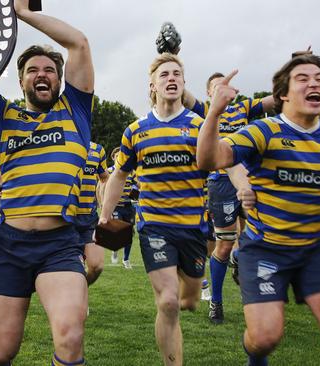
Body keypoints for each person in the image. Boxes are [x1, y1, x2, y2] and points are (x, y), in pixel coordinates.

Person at [0, 0, 94, 363]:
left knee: (70, 336)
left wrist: (24, 15)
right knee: (1, 352)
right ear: (21, 79)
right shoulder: (4, 115)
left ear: (60, 79)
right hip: (10, 244)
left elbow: (79, 44)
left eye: (50, 70)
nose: (42, 75)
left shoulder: (75, 111)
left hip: (59, 244)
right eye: (32, 70)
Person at [196, 54, 320, 366]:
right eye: (303, 78)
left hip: (319, 250)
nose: (314, 83)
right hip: (266, 250)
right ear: (283, 95)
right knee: (263, 338)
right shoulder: (264, 131)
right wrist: (215, 113)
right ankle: (223, 307)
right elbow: (209, 160)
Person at [100, 53, 208, 366]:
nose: (171, 79)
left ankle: (189, 293)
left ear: (184, 84)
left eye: (177, 74)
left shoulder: (200, 126)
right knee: (169, 301)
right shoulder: (135, 131)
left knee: (187, 300)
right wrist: (105, 215)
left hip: (194, 228)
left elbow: (224, 164)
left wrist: (243, 189)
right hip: (154, 227)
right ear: (153, 85)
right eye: (165, 75)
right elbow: (119, 174)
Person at [183, 73, 275, 324]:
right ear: (209, 94)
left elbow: (276, 99)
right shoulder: (205, 110)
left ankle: (243, 262)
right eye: (216, 86)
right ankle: (217, 301)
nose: (223, 88)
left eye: (226, 84)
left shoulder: (244, 107)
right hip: (221, 184)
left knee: (263, 238)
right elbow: (183, 94)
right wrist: (171, 57)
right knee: (223, 244)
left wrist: (297, 68)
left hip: (251, 182)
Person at [75, 141, 108, 285]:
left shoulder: (97, 149)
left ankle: (80, 290)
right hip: (66, 218)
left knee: (97, 266)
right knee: (76, 267)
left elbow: (105, 178)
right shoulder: (59, 143)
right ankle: (77, 299)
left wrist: (104, 205)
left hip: (89, 218)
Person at [105, 147, 137, 268]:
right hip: (116, 207)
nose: (119, 157)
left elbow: (138, 185)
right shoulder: (109, 171)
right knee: (118, 231)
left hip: (129, 206)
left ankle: (126, 259)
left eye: (121, 155)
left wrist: (135, 194)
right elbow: (103, 187)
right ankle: (115, 250)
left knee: (129, 233)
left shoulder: (131, 172)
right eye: (117, 156)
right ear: (113, 158)